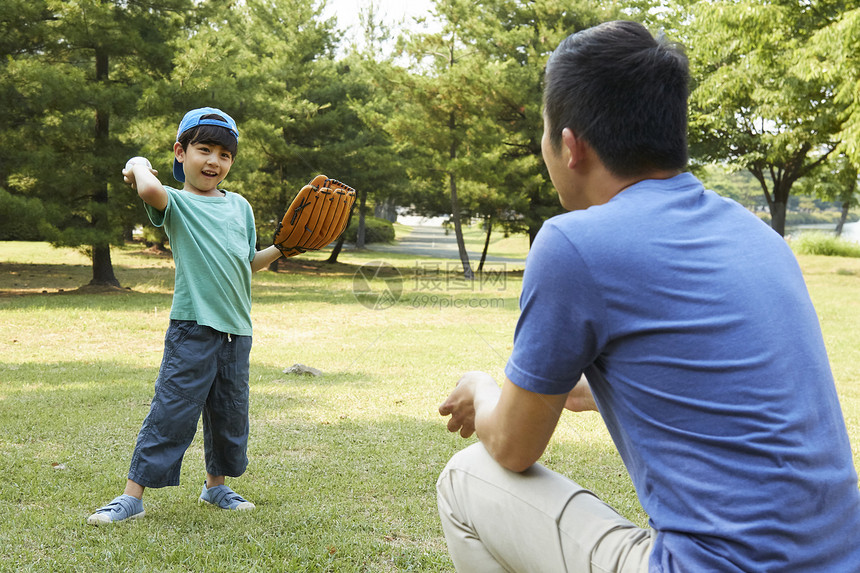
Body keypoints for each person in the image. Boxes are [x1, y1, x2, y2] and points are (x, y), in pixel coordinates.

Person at [437, 21, 860, 572]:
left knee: (465, 479)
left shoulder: (573, 243)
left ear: (569, 146)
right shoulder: (759, 237)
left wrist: (482, 388)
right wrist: (593, 389)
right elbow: (709, 374)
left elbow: (513, 446)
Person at [88, 107, 283, 525]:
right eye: (204, 149)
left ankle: (216, 487)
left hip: (237, 330)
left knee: (230, 414)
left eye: (224, 155)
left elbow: (247, 262)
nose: (214, 161)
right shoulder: (176, 202)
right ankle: (131, 496)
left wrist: (285, 247)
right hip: (192, 328)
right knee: (172, 411)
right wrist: (139, 165)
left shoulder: (241, 208)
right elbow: (148, 191)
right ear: (181, 152)